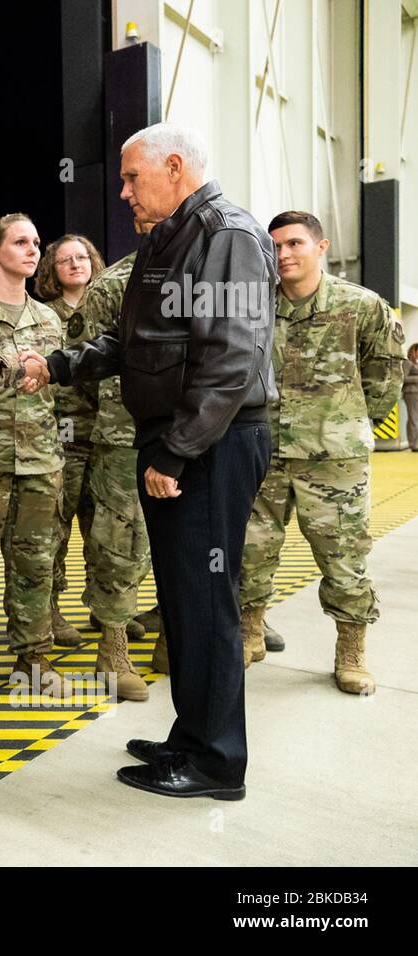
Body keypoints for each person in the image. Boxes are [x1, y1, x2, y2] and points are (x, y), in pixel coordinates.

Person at [24, 122, 277, 799]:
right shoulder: (174, 239)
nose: (124, 191)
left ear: (174, 167)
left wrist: (177, 450)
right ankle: (192, 736)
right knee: (184, 598)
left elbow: (231, 357)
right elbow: (131, 341)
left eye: (134, 178)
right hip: (185, 440)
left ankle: (217, 763)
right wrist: (55, 365)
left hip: (210, 443)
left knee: (205, 599)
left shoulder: (225, 235)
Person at [237, 211, 405, 694]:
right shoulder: (254, 306)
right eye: (276, 247)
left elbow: (384, 379)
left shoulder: (363, 306)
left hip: (334, 459)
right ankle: (250, 632)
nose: (284, 254)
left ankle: (350, 652)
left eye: (294, 244)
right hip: (262, 450)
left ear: (321, 247)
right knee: (251, 550)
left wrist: (347, 423)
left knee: (344, 558)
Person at [0, 214, 69, 702]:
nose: (32, 249)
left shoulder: (49, 319)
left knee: (36, 563)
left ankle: (33, 659)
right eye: (20, 241)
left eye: (36, 241)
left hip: (42, 459)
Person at [71, 220, 157, 699]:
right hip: (125, 435)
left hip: (194, 432)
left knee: (190, 542)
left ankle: (171, 639)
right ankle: (114, 650)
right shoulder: (111, 288)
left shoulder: (206, 278)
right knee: (119, 541)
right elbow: (82, 365)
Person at [34, 234, 107, 647]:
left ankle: (104, 607)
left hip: (105, 434)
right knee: (55, 530)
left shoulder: (108, 311)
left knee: (104, 530)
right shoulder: (44, 316)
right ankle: (52, 610)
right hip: (63, 437)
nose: (76, 264)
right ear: (52, 271)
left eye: (82, 256)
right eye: (66, 260)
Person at [404, 344, 418, 452]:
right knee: (413, 419)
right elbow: (403, 378)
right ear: (414, 351)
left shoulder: (416, 363)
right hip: (411, 393)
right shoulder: (407, 363)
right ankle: (412, 444)